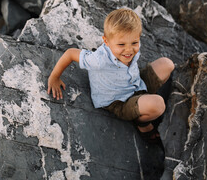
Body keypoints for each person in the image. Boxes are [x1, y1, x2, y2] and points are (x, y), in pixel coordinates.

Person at [47, 8, 174, 144]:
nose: (129, 50)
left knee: (167, 64)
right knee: (159, 104)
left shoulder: (128, 46)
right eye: (121, 44)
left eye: (134, 43)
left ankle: (144, 102)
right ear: (106, 42)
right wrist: (54, 77)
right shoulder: (99, 60)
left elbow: (130, 47)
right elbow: (71, 53)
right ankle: (141, 122)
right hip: (119, 101)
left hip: (136, 83)